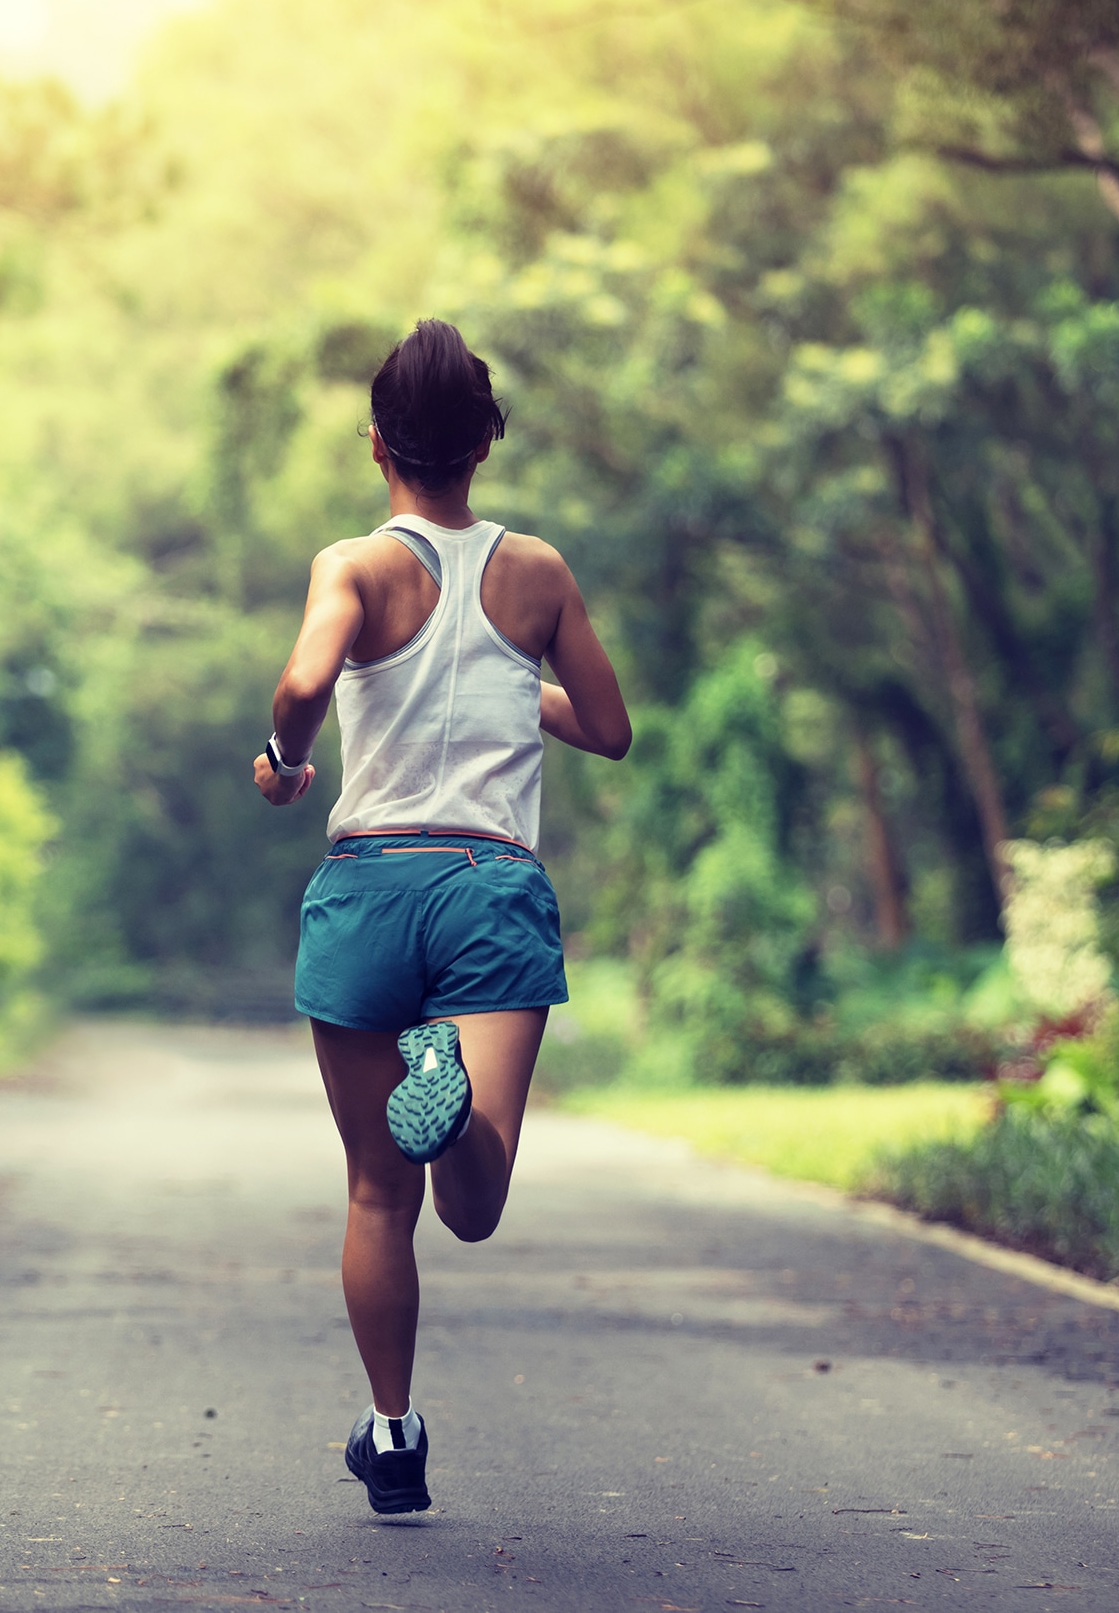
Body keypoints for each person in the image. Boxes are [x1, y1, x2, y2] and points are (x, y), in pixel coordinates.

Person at [251, 319, 631, 1516]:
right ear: (487, 440)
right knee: (471, 1205)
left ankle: (393, 1434)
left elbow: (308, 682)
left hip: (369, 886)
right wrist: (523, 685)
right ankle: (452, 1101)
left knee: (375, 1192)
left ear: (377, 449)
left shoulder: (353, 566)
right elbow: (611, 728)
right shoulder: (538, 573)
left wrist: (281, 756)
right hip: (487, 888)